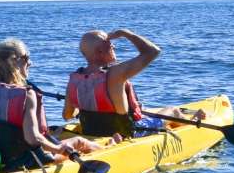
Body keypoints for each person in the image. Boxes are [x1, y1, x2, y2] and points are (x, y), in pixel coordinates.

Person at [0, 39, 103, 173]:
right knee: (79, 142)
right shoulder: (27, 95)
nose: (30, 62)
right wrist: (58, 149)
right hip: (30, 159)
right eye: (26, 58)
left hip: (2, 154)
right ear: (13, 61)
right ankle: (110, 150)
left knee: (57, 136)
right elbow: (32, 138)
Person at [63, 29, 201, 137]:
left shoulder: (74, 79)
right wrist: (126, 33)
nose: (114, 46)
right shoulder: (115, 74)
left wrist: (90, 107)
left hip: (92, 131)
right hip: (129, 133)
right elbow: (153, 51)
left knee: (147, 112)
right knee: (174, 111)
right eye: (110, 44)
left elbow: (67, 115)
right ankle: (194, 124)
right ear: (100, 51)